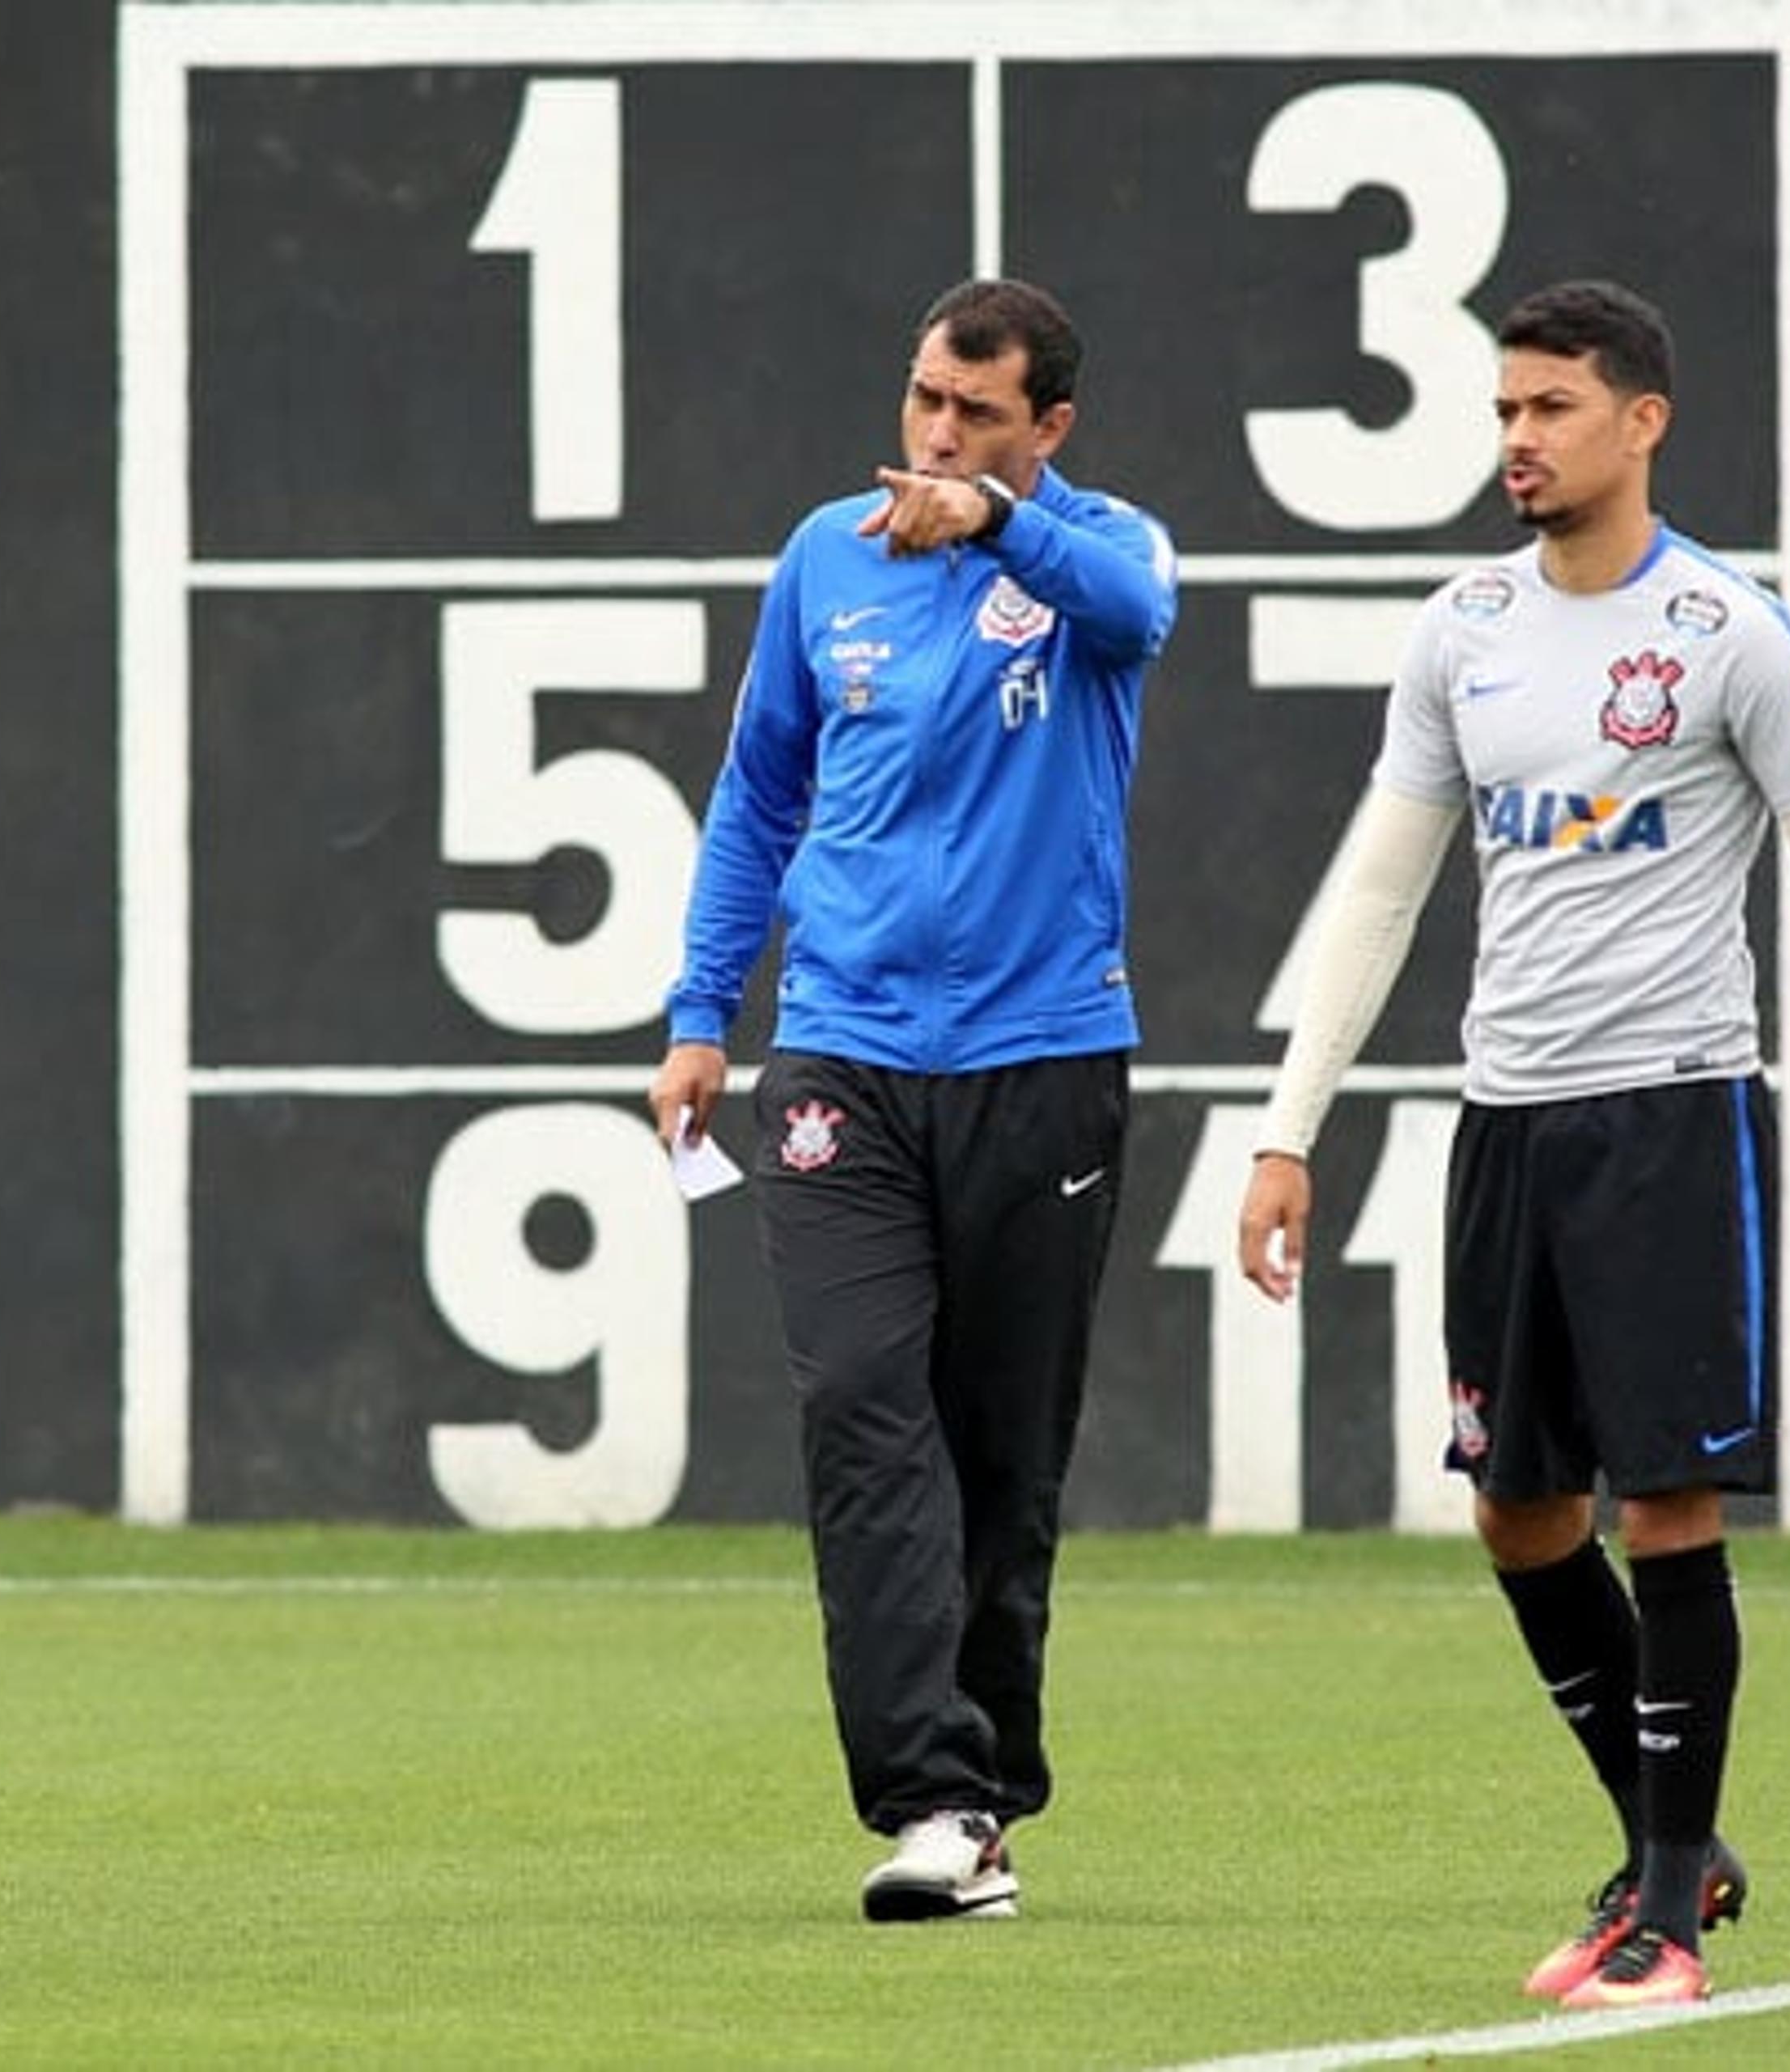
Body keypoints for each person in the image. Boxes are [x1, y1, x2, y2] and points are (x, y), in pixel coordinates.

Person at [1235, 279, 1790, 2006]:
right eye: (1504, 409)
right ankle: (1676, 1846)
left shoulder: (1730, 632)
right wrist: (1288, 1129)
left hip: (1668, 1113)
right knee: (1514, 1511)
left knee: (1664, 1503)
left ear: (1641, 423)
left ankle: (1659, 1913)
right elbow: (1381, 883)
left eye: (1551, 408)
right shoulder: (1465, 628)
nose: (1517, 439)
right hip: (1505, 1124)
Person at [650, 277, 1178, 1923]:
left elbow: (1138, 615)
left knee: (1000, 1451)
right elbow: (757, 797)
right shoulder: (827, 559)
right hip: (840, 1059)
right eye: (923, 402)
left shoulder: (1099, 554)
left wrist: (996, 527)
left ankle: (984, 1802)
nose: (937, 438)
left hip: (1042, 1062)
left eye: (977, 414)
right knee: (860, 1402)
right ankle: (933, 1797)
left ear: (1049, 430)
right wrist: (696, 1016)